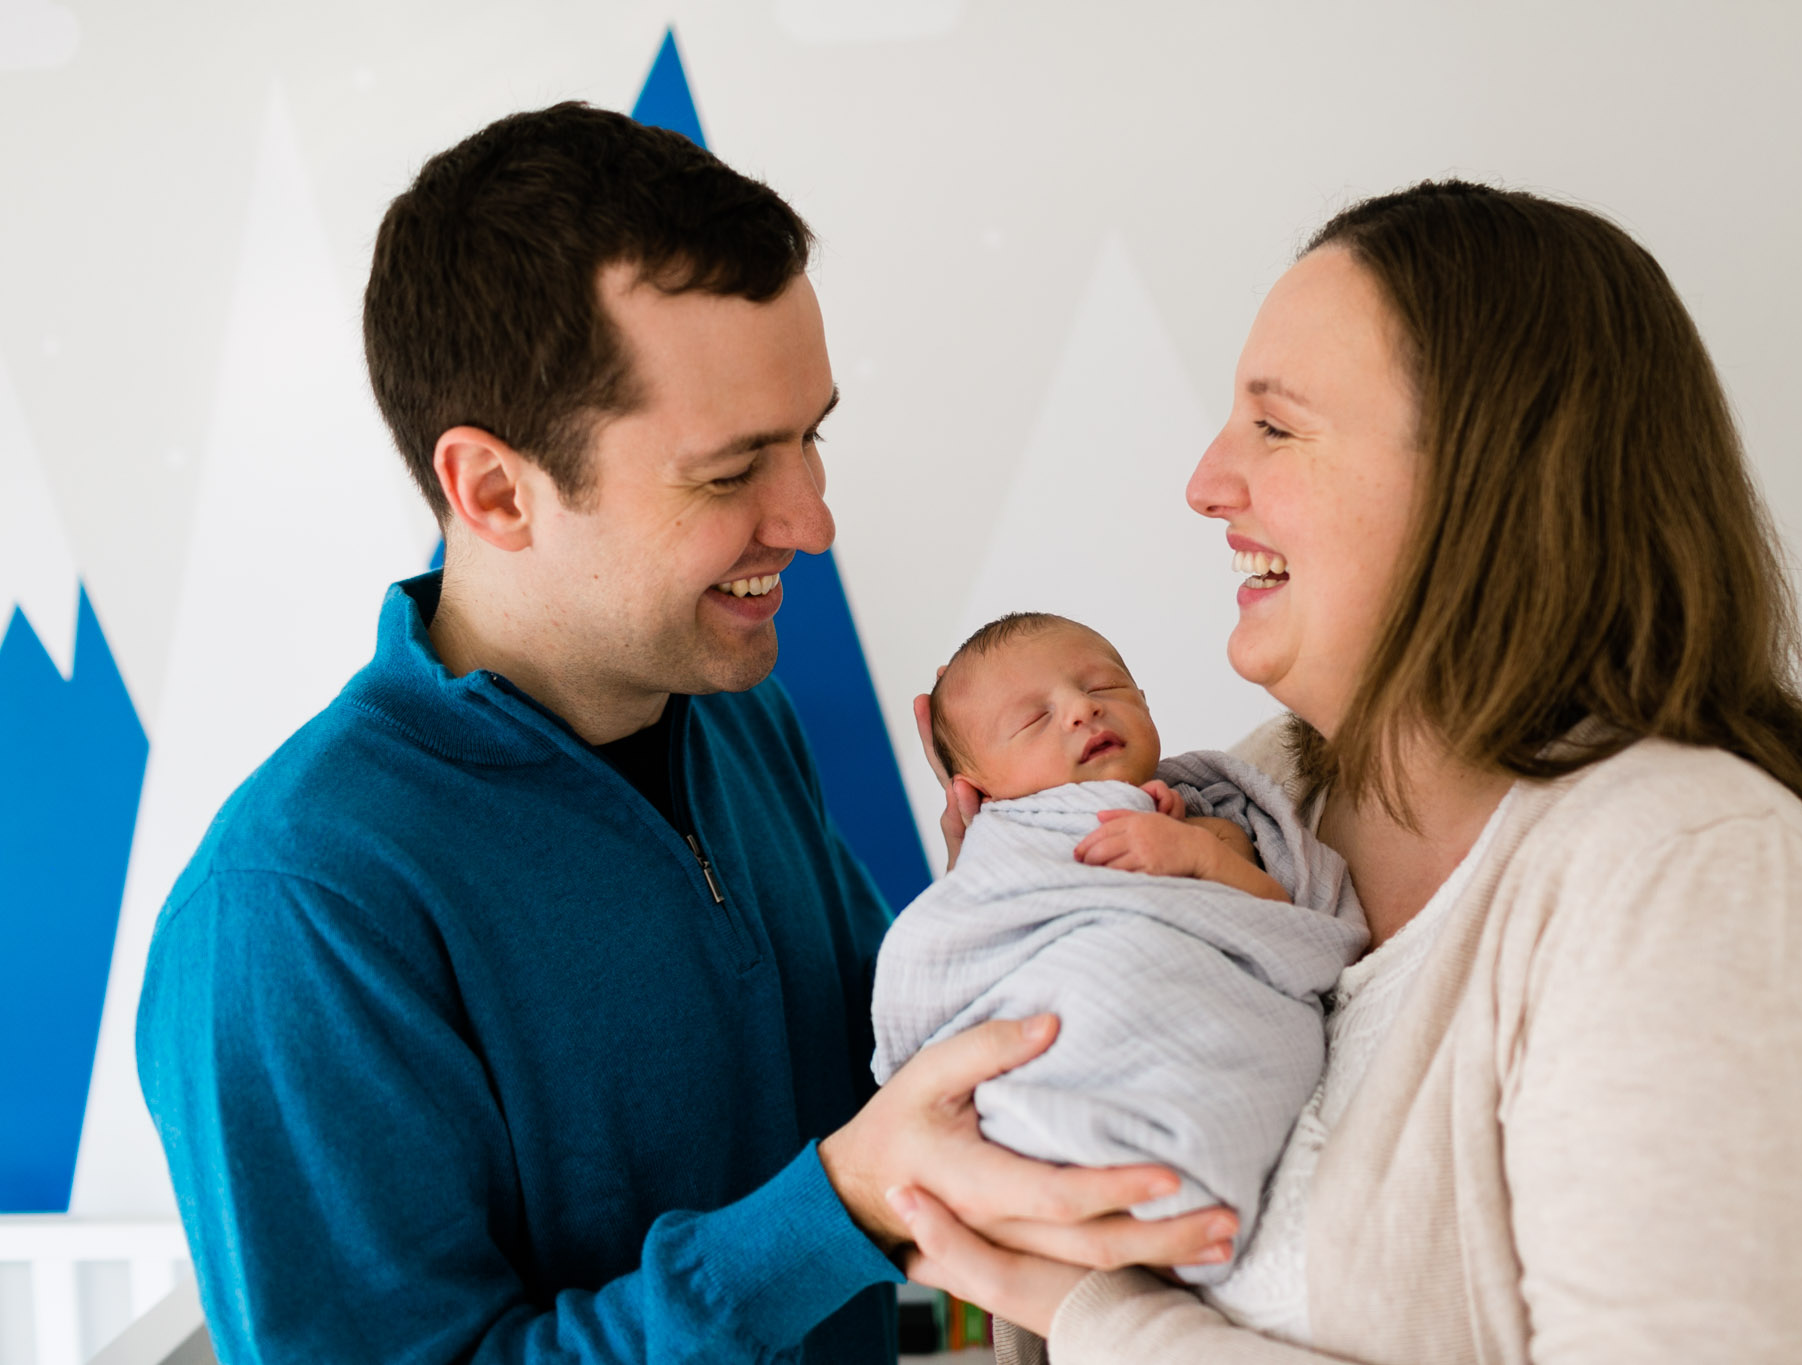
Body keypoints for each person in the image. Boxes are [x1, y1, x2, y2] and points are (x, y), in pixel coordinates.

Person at [133, 103, 1233, 1365]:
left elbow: (896, 1112)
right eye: (730, 473)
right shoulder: (293, 911)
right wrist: (837, 1208)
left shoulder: (736, 717)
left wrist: (1041, 928)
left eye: (811, 437)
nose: (812, 521)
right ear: (494, 489)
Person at [891, 181, 1802, 1363]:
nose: (1205, 482)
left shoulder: (1688, 880)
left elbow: (1083, 1300)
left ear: (1486, 481)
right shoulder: (1251, 798)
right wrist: (1019, 930)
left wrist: (1102, 1324)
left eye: (1274, 428)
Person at [871, 612, 1365, 1284]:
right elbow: (945, 951)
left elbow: (1287, 924)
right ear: (979, 787)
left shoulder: (1215, 816)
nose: (1081, 708)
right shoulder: (1003, 849)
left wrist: (1197, 855)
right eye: (1032, 718)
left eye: (1105, 684)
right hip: (1063, 1058)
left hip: (1202, 1039)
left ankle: (1167, 1179)